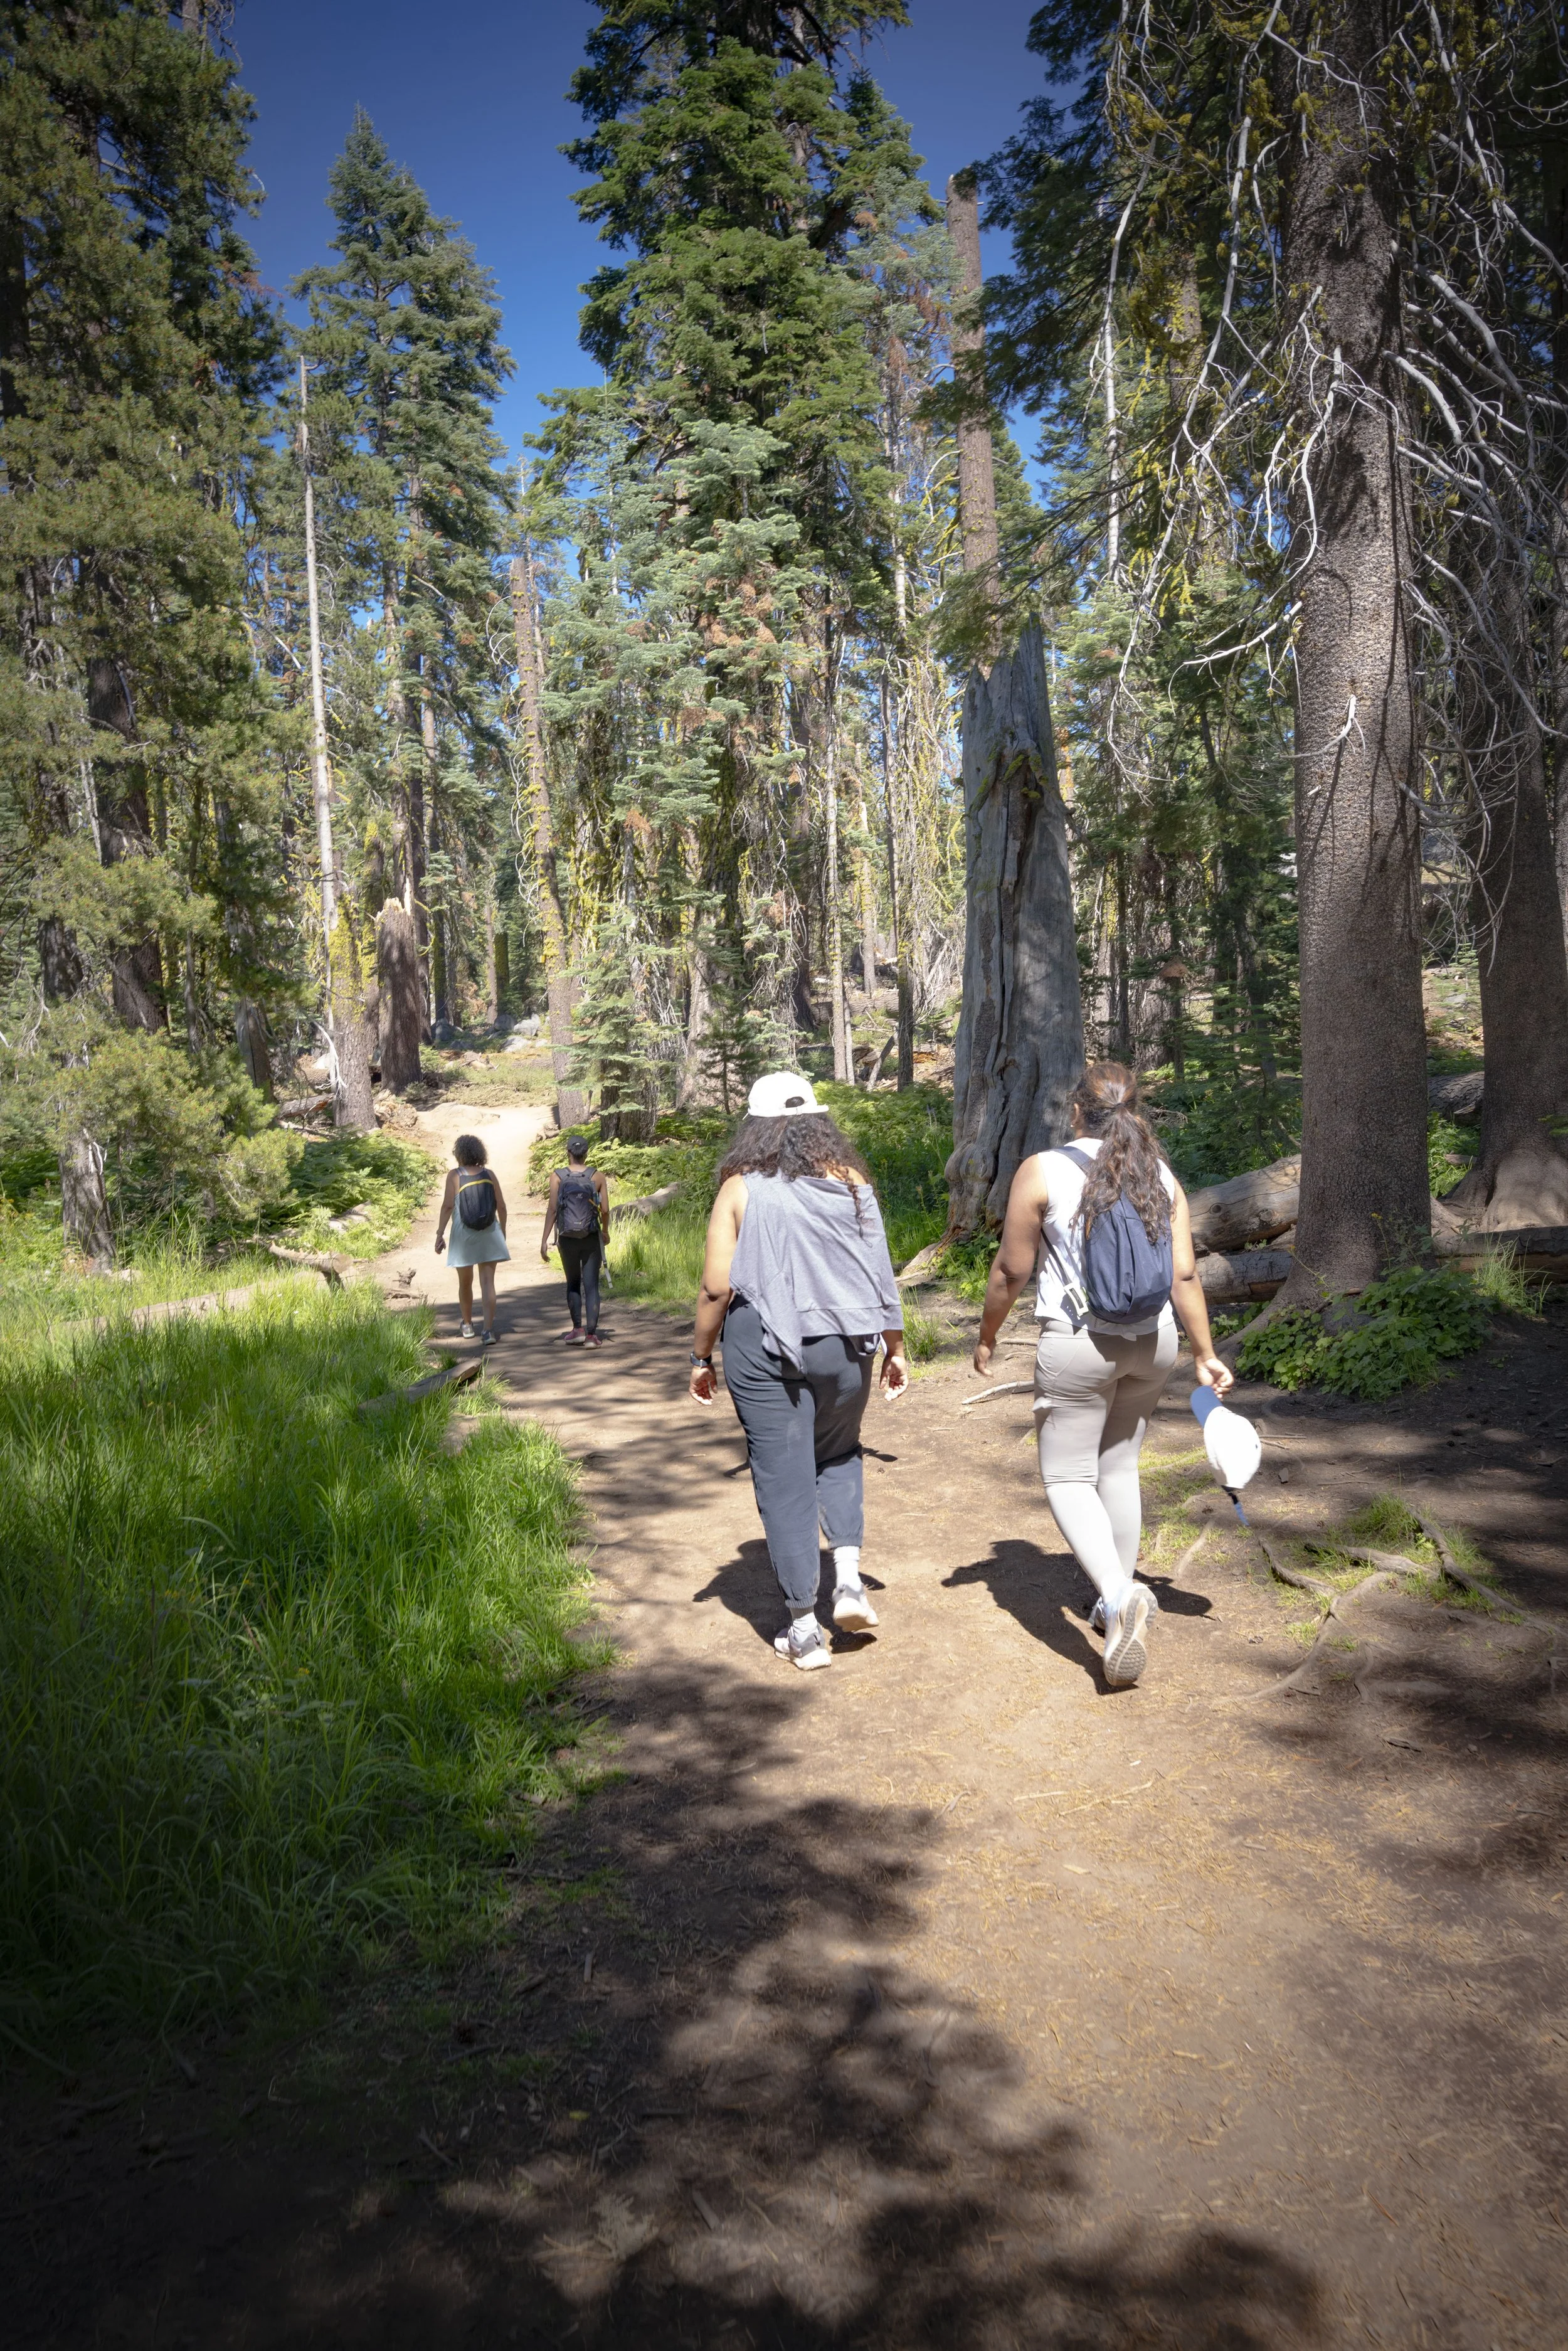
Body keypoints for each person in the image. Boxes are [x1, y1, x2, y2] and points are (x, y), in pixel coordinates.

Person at [972, 1061, 1233, 1689]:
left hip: (1080, 1342)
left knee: (1066, 1474)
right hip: (1154, 1340)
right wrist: (1204, 1352)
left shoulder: (1043, 1169)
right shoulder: (1159, 1174)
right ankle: (1114, 1596)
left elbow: (1011, 1270)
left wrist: (986, 1334)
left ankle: (1118, 1596)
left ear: (1075, 1110)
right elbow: (1185, 1276)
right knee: (1117, 1464)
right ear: (1132, 1109)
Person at [688, 1072, 909, 1670]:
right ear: (819, 1122)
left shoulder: (741, 1188)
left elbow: (716, 1287)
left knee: (784, 1478)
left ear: (753, 1126)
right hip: (847, 1343)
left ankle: (805, 1631)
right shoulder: (853, 1182)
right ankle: (849, 1581)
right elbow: (880, 1271)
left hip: (766, 1346)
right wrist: (895, 1346)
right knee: (839, 1453)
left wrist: (700, 1357)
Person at [433, 1133, 509, 1344]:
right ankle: (488, 1332)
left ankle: (467, 1325)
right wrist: (502, 1231)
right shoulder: (490, 1174)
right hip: (489, 1234)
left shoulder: (455, 1175)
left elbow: (448, 1206)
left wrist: (440, 1233)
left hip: (464, 1235)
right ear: (479, 1152)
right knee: (488, 1283)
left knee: (465, 1283)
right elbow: (501, 1206)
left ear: (459, 1154)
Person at [541, 1133, 610, 1346]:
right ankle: (591, 1336)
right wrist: (605, 1232)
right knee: (592, 1286)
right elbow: (605, 1210)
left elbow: (553, 1210)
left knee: (573, 1283)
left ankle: (577, 1329)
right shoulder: (597, 1177)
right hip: (590, 1237)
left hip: (567, 1238)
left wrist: (544, 1241)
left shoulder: (558, 1176)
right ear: (586, 1154)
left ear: (568, 1153)